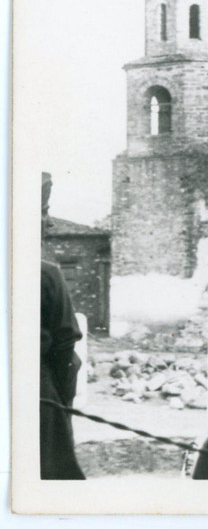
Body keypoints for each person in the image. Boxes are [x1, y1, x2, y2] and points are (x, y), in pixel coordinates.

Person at [40, 172, 86, 479]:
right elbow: (65, 356)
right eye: (43, 212)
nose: (48, 222)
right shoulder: (47, 275)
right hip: (38, 402)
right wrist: (62, 410)